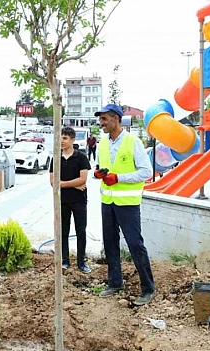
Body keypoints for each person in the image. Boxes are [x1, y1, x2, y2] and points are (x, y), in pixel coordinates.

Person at [93, 104, 156, 306]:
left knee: (135, 245)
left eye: (104, 119)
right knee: (110, 243)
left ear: (115, 119)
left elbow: (146, 172)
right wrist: (98, 173)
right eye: (100, 119)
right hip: (107, 201)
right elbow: (102, 167)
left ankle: (148, 288)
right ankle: (115, 282)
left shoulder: (132, 142)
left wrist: (118, 177)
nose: (101, 123)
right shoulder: (103, 142)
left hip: (127, 203)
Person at [49, 127, 92, 273]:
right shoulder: (56, 158)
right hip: (62, 201)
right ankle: (65, 260)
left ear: (73, 140)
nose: (62, 141)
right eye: (60, 137)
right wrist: (73, 185)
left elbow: (83, 179)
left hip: (79, 201)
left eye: (65, 138)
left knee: (81, 231)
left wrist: (62, 183)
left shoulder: (81, 158)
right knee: (63, 231)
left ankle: (81, 262)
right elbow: (52, 181)